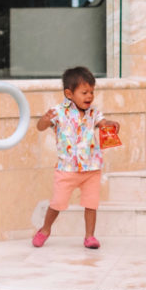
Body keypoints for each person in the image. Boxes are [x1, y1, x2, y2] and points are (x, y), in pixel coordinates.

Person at [32, 66, 120, 250]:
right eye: (85, 92)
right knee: (57, 203)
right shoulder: (58, 111)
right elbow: (40, 127)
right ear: (69, 93)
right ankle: (45, 229)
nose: (89, 96)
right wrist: (45, 119)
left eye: (92, 92)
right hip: (67, 169)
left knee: (91, 203)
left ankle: (90, 236)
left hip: (91, 168)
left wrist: (110, 124)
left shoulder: (93, 113)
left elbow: (102, 123)